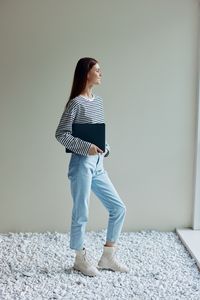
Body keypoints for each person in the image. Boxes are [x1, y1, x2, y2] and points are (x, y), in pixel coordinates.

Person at [55, 57, 128, 277]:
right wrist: (86, 148)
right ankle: (80, 259)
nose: (101, 73)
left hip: (98, 164)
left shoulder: (98, 101)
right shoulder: (75, 103)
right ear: (86, 74)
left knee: (118, 208)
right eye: (97, 70)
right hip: (81, 164)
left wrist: (105, 147)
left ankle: (108, 257)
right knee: (81, 213)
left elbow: (98, 133)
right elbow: (61, 134)